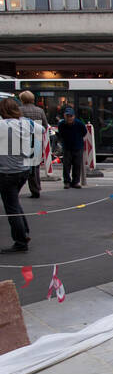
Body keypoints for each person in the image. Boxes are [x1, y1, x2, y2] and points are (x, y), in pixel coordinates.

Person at [0, 97, 42, 253]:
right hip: (23, 170)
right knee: (14, 202)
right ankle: (24, 232)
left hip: (6, 172)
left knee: (11, 207)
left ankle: (20, 241)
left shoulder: (2, 125)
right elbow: (42, 131)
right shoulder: (26, 123)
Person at [17, 90, 49, 198]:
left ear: (22, 99)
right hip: (36, 140)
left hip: (23, 140)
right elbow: (45, 125)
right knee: (35, 166)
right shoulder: (40, 111)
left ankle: (18, 188)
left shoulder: (19, 110)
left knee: (22, 164)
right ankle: (36, 188)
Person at [57, 105, 87, 188]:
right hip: (67, 147)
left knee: (77, 165)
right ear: (64, 116)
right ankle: (67, 182)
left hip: (78, 146)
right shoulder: (62, 124)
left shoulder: (79, 124)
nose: (69, 118)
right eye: (67, 116)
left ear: (74, 116)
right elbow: (61, 134)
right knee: (66, 165)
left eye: (71, 116)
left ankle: (76, 182)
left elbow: (84, 132)